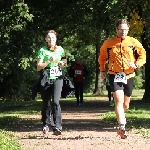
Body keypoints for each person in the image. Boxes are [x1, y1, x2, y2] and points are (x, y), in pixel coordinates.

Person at [98, 19, 146, 139]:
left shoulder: (133, 42)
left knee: (125, 104)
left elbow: (142, 55)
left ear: (128, 30)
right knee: (118, 101)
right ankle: (122, 126)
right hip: (114, 74)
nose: (123, 31)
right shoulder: (108, 43)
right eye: (121, 29)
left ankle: (121, 117)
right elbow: (102, 58)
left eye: (125, 29)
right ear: (117, 29)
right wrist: (102, 70)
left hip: (129, 75)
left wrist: (137, 64)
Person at [37, 30, 67, 136]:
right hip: (46, 77)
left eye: (53, 38)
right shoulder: (42, 50)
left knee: (55, 101)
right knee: (46, 102)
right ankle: (45, 123)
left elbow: (64, 60)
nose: (51, 39)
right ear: (46, 39)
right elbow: (38, 67)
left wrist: (62, 63)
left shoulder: (60, 49)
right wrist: (48, 61)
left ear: (56, 39)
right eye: (49, 37)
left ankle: (57, 127)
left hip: (57, 77)